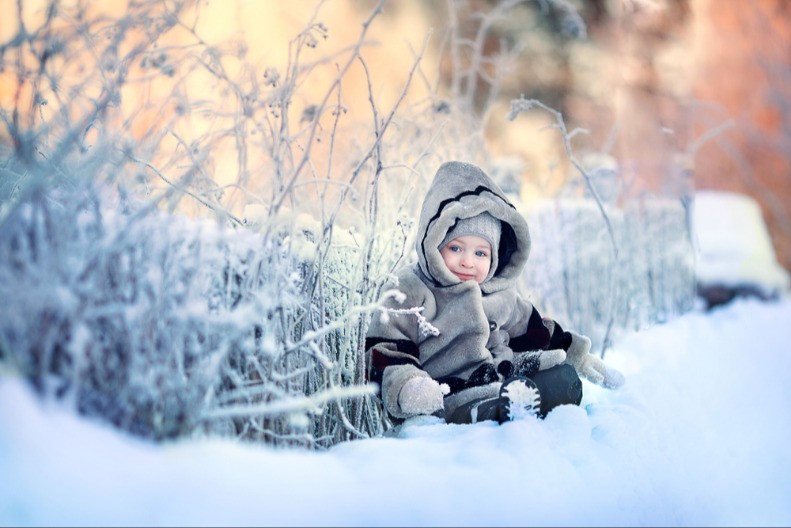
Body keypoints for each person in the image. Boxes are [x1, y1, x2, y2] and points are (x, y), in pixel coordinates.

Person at [365, 161, 624, 425]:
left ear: (495, 257)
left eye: (480, 253)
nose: (468, 261)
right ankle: (492, 412)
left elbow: (536, 332)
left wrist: (578, 354)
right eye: (456, 248)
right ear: (433, 243)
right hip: (450, 393)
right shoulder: (411, 288)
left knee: (562, 377)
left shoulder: (500, 294)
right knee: (484, 405)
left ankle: (526, 402)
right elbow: (387, 349)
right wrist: (409, 386)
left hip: (505, 377)